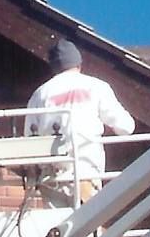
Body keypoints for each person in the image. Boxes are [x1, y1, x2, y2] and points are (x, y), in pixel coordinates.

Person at [24, 39, 135, 207]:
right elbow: (126, 127)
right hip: (86, 172)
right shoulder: (96, 86)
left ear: (53, 67)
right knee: (87, 227)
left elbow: (29, 142)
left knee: (58, 229)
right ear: (79, 63)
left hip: (53, 176)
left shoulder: (40, 94)